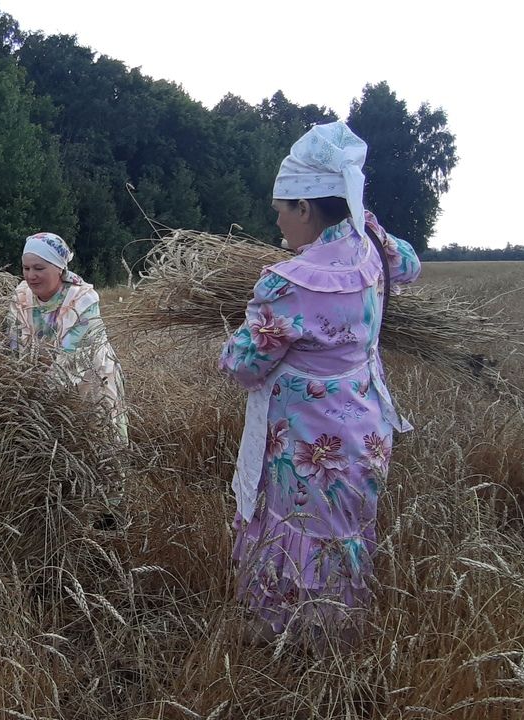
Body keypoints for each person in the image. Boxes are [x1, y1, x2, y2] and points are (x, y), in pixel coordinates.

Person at [218, 121, 421, 648]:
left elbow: (244, 365)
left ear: (305, 208)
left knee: (297, 536)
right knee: (343, 534)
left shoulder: (289, 283)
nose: (279, 223)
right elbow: (412, 264)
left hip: (309, 444)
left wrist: (228, 340)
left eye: (281, 210)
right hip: (366, 433)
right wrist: (367, 220)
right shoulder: (372, 245)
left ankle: (291, 646)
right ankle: (338, 638)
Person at [9, 232, 127, 441]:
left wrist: (37, 398)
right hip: (39, 375)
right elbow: (15, 340)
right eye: (26, 268)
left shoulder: (82, 299)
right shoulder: (22, 295)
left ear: (59, 268)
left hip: (90, 377)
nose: (30, 276)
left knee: (97, 435)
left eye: (39, 268)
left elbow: (72, 354)